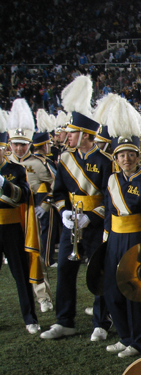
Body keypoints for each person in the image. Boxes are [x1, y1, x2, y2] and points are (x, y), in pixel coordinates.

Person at [42, 76, 114, 341]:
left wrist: (91, 217)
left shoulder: (105, 161)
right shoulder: (64, 159)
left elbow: (110, 198)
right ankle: (64, 320)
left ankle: (101, 322)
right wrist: (63, 212)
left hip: (94, 225)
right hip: (70, 224)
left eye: (71, 132)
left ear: (84, 134)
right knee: (64, 269)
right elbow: (58, 192)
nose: (66, 136)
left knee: (98, 272)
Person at [97, 95, 141, 358]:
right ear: (116, 157)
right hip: (114, 240)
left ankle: (140, 341)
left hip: (135, 239)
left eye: (131, 154)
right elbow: (108, 212)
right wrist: (106, 240)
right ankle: (124, 336)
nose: (126, 159)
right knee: (111, 289)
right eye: (122, 155)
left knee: (133, 289)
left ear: (138, 155)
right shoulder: (111, 180)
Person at [1, 100, 43, 335]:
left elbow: (22, 195)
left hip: (10, 226)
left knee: (21, 275)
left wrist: (3, 185)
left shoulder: (15, 170)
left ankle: (30, 317)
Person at [8, 107, 55, 313]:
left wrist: (44, 205)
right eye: (15, 145)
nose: (19, 149)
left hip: (31, 215)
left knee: (34, 256)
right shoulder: (5, 163)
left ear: (30, 144)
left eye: (23, 145)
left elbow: (57, 186)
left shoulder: (39, 163)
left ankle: (43, 296)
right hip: (9, 216)